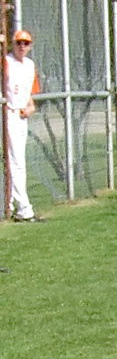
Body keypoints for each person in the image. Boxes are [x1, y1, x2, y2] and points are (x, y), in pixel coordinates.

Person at [2, 28, 42, 222]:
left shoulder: (29, 65)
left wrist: (31, 107)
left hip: (21, 115)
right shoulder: (6, 60)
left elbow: (30, 94)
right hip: (8, 112)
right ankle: (24, 209)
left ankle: (9, 205)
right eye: (18, 43)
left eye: (25, 43)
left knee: (17, 161)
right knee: (16, 162)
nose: (22, 47)